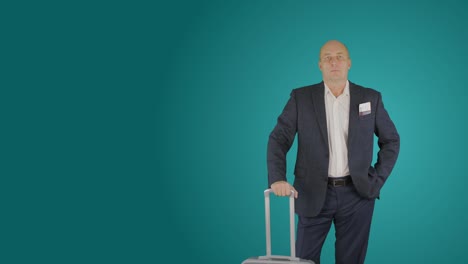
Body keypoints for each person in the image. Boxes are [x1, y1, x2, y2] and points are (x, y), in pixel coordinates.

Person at [267, 40, 400, 264]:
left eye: (339, 56)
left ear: (349, 63)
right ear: (320, 65)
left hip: (357, 195)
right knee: (303, 260)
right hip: (311, 193)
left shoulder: (370, 97)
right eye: (327, 57)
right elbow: (278, 139)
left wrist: (375, 181)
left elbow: (391, 140)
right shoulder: (300, 98)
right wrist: (278, 178)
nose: (334, 61)